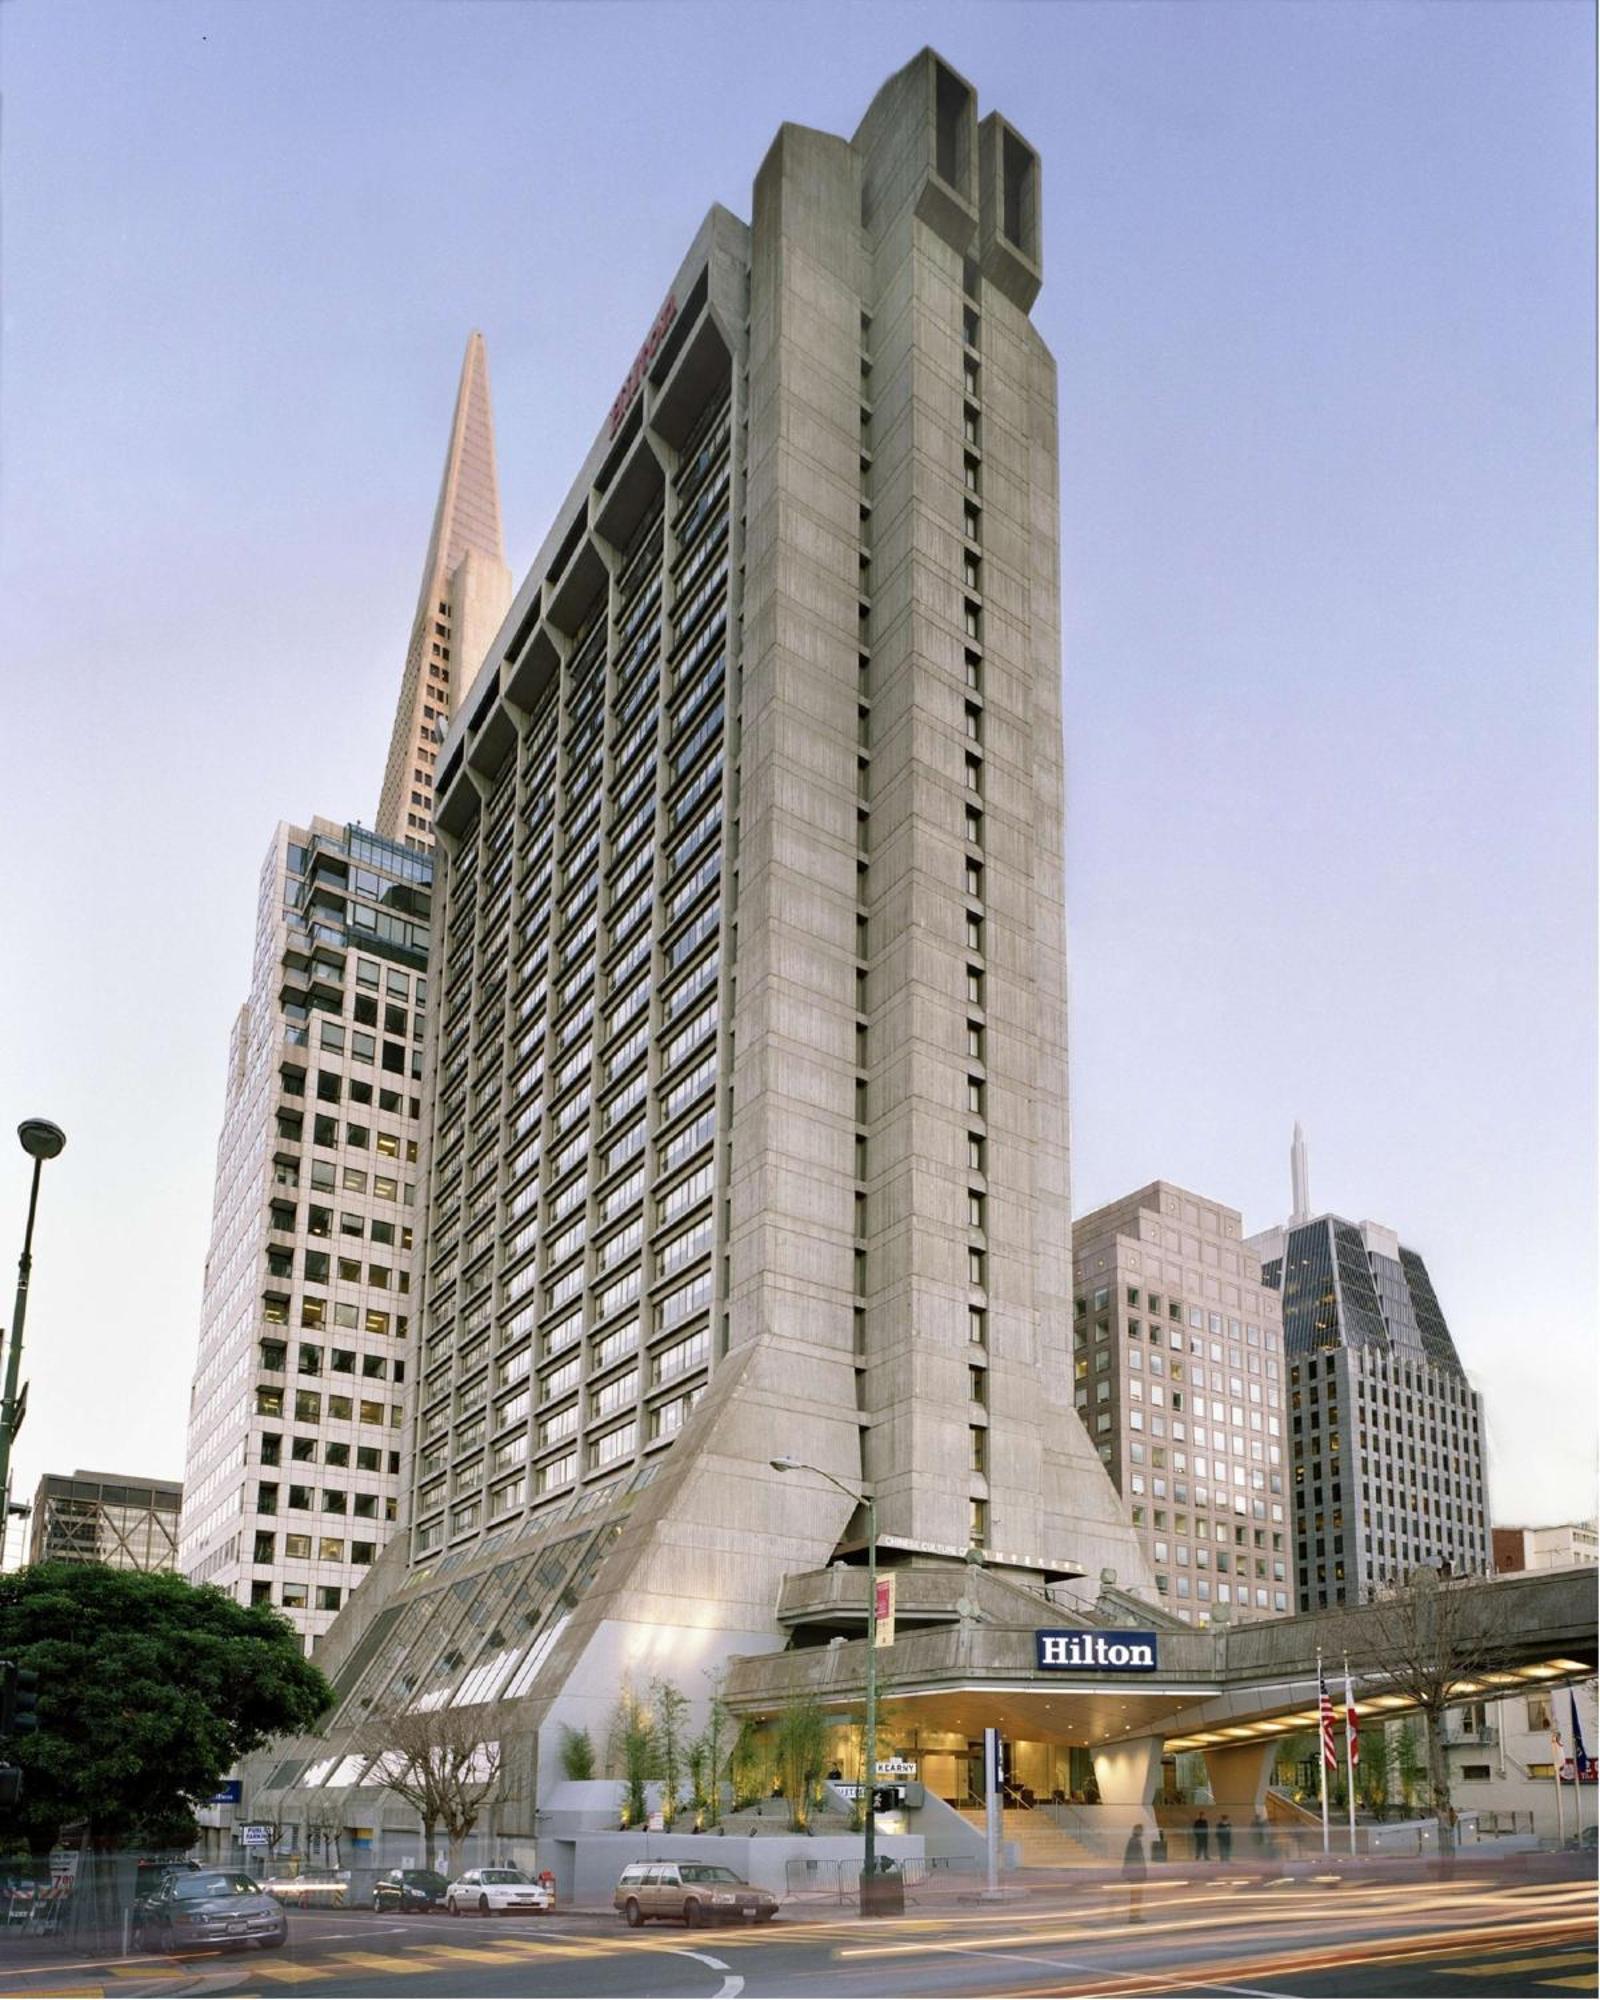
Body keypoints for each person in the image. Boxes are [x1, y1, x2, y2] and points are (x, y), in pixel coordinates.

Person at [1121, 1824, 1147, 1922]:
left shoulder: (1134, 1841)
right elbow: (1134, 1858)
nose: (1142, 1832)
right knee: (1136, 1896)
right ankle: (1134, 1917)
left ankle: (1135, 1916)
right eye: (1141, 1830)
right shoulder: (1134, 1842)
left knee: (1136, 1896)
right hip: (1136, 1874)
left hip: (1136, 1873)